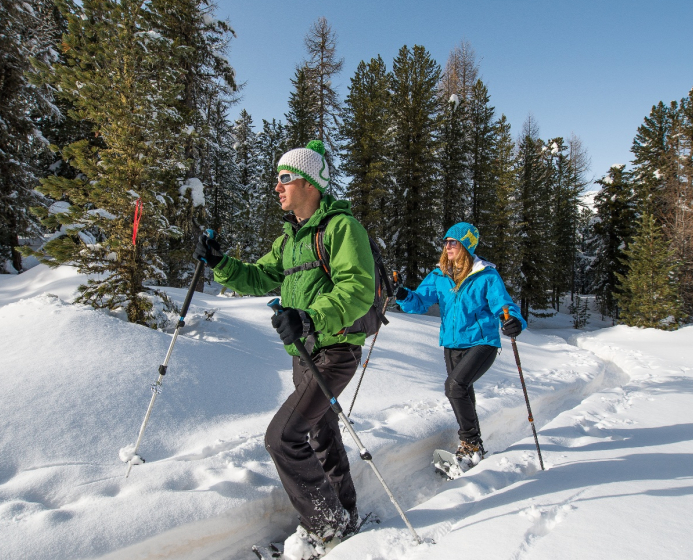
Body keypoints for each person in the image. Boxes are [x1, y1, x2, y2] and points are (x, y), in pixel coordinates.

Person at [193, 140, 375, 559]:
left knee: (282, 437)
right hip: (304, 353)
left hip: (335, 351)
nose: (277, 186)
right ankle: (344, 515)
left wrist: (311, 317)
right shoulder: (291, 239)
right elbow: (258, 277)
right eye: (277, 179)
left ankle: (325, 527)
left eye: (285, 178)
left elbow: (358, 289)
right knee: (320, 432)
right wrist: (221, 263)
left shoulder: (342, 228)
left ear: (309, 183)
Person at [395, 222, 526, 466]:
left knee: (454, 387)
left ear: (466, 245)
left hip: (482, 342)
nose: (447, 246)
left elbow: (504, 305)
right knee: (463, 390)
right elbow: (420, 302)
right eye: (445, 242)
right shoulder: (439, 275)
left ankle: (470, 443)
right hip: (452, 344)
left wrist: (514, 321)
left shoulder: (485, 274)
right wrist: (403, 294)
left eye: (452, 242)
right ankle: (475, 447)